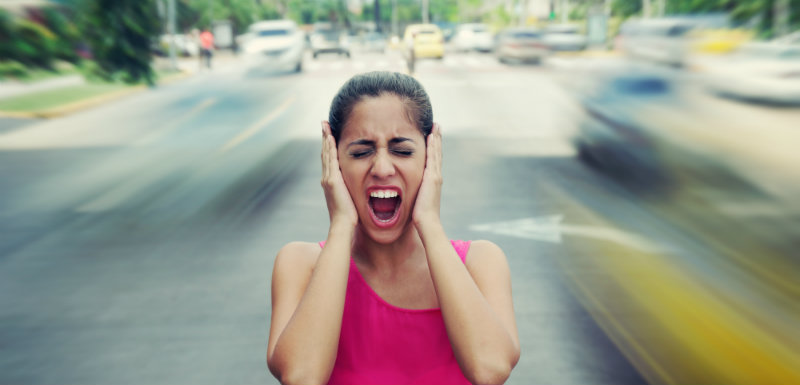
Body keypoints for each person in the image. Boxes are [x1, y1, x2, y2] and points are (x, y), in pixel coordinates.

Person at [267, 71, 519, 385]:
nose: (383, 169)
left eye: (402, 151)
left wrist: (429, 222)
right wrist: (342, 225)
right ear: (333, 160)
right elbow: (302, 377)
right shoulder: (300, 265)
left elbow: (491, 369)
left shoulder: (480, 263)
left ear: (431, 157)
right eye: (361, 152)